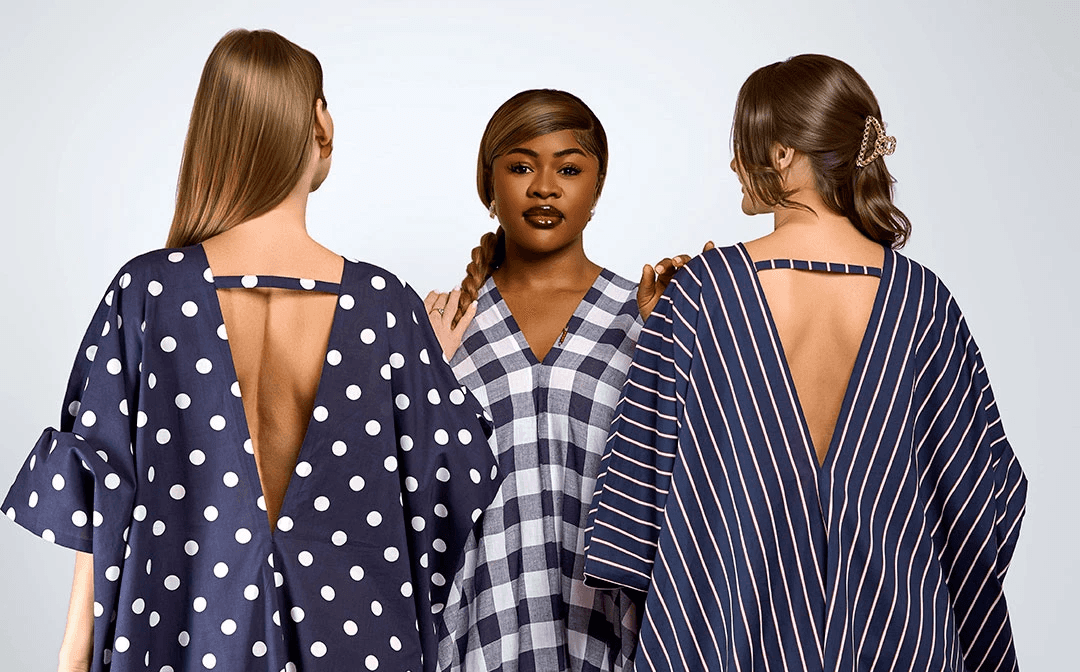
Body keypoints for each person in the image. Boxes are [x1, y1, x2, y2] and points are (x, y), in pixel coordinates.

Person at [2, 29, 500, 672]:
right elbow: (451, 492)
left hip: (182, 640)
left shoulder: (148, 295)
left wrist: (71, 662)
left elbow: (98, 502)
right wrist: (428, 367)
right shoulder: (385, 309)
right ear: (320, 126)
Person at [582, 54, 1027, 671]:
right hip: (902, 642)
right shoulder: (924, 302)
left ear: (783, 153)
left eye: (743, 145)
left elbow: (634, 511)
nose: (733, 164)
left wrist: (665, 329)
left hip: (730, 640)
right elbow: (985, 501)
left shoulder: (701, 294)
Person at [423, 89, 700, 672]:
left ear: (597, 188)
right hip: (481, 631)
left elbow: (688, 482)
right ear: (488, 184)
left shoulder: (642, 313)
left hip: (612, 632)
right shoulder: (445, 325)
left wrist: (675, 341)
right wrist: (427, 370)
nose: (545, 187)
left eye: (569, 169)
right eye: (521, 167)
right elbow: (412, 492)